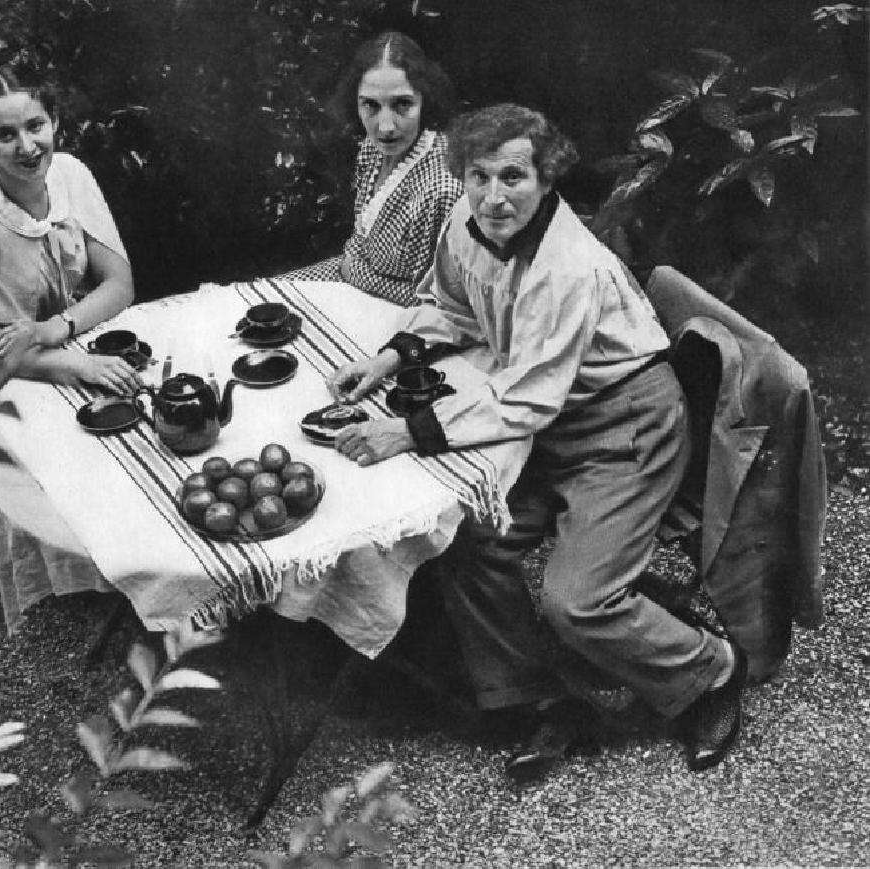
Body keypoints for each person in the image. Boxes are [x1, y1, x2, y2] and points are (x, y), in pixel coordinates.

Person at [326, 103, 747, 777]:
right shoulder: (466, 225)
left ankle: (710, 670)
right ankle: (540, 697)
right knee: (468, 540)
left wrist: (405, 432)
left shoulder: (567, 265)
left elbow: (525, 399)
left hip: (626, 428)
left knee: (578, 599)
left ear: (546, 180)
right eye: (479, 176)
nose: (494, 197)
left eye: (514, 177)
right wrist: (389, 358)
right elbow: (452, 307)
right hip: (550, 421)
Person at [0, 67, 141, 397]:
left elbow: (120, 285)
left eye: (35, 126)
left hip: (66, 337)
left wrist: (54, 328)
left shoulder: (70, 173)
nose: (27, 147)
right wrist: (82, 365)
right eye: (6, 135)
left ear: (53, 121)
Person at [280, 31, 463, 306]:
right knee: (265, 299)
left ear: (425, 98)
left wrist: (355, 273)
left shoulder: (443, 188)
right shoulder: (371, 150)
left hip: (400, 314)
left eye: (402, 104)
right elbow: (357, 246)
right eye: (371, 105)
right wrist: (351, 270)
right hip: (351, 281)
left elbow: (435, 302)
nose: (386, 126)